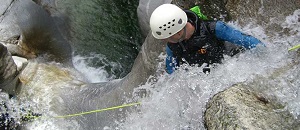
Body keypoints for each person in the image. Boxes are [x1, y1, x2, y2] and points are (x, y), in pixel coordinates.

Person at [149, 4, 264, 74]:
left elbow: (252, 43)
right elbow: (171, 72)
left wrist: (264, 61)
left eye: (167, 38)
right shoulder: (173, 46)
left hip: (229, 63)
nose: (165, 42)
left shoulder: (215, 28)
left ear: (178, 32)